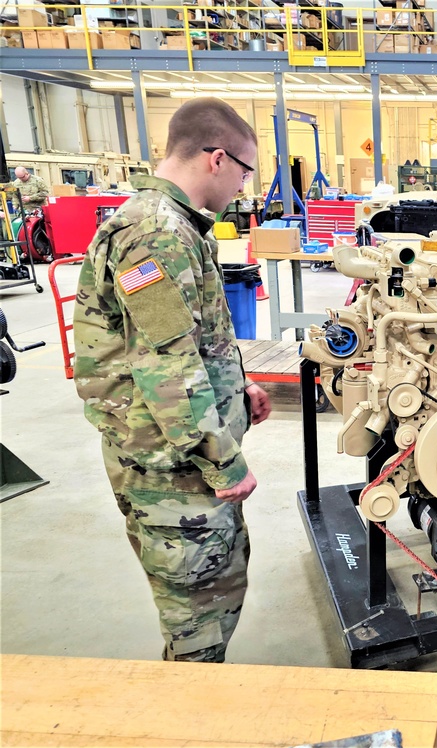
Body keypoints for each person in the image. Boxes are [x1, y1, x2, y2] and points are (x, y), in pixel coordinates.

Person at [73, 97, 272, 664]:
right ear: (216, 158)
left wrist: (240, 388)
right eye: (245, 170)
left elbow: (187, 338)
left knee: (210, 599)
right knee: (198, 623)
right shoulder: (156, 233)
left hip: (177, 458)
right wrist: (222, 457)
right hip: (173, 469)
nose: (244, 185)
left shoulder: (171, 225)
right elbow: (166, 366)